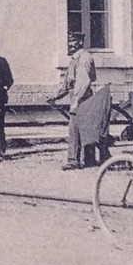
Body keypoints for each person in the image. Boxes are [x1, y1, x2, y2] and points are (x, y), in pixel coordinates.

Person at [51, 34, 110, 169]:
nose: (70, 44)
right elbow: (68, 83)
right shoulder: (75, 59)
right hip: (77, 96)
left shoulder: (84, 58)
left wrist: (76, 101)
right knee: (85, 129)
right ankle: (89, 160)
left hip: (83, 98)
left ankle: (73, 161)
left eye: (73, 41)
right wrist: (55, 96)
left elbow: (84, 82)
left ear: (80, 42)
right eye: (69, 41)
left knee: (76, 130)